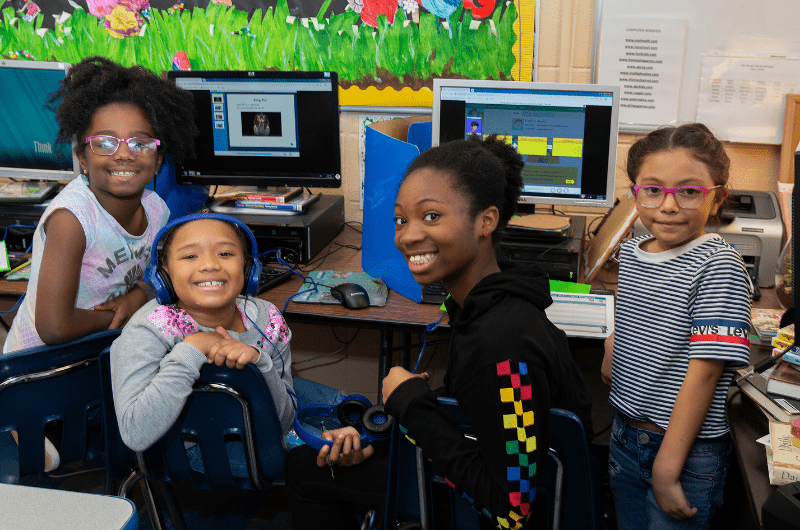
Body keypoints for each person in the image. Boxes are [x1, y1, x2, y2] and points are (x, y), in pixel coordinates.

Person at [285, 135, 593, 529]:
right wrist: (387, 428)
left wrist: (413, 406)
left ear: (486, 220)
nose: (408, 236)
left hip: (510, 511)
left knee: (302, 469)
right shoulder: (486, 305)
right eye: (401, 219)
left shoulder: (502, 343)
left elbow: (512, 511)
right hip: (487, 463)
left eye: (431, 216)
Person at [600, 123, 752, 529]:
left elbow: (706, 372)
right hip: (625, 436)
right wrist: (612, 344)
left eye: (688, 191)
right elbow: (633, 310)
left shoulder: (717, 267)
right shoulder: (633, 251)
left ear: (716, 198)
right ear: (635, 193)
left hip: (684, 454)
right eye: (652, 190)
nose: (667, 206)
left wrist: (667, 470)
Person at [3, 56, 197, 353]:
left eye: (140, 144)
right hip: (43, 371)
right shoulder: (73, 220)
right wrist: (118, 316)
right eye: (105, 143)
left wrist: (140, 295)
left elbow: (159, 271)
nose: (123, 154)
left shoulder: (157, 209)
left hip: (100, 353)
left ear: (158, 160)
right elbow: (54, 327)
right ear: (82, 157)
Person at [110, 214, 296, 458]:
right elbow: (135, 433)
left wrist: (259, 361)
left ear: (248, 267)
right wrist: (192, 349)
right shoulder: (150, 328)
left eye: (225, 254)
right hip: (190, 456)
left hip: (263, 440)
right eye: (189, 256)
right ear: (164, 274)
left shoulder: (268, 320)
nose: (210, 265)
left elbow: (285, 422)